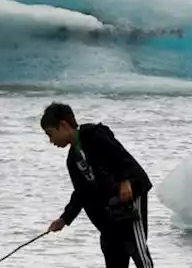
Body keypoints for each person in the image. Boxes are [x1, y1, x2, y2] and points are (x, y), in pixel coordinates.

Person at [41, 102, 154, 268]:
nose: (51, 141)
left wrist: (124, 181)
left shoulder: (95, 135)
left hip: (130, 196)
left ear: (63, 125)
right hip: (111, 210)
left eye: (50, 134)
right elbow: (81, 193)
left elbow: (120, 156)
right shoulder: (73, 160)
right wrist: (64, 219)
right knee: (112, 249)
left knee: (136, 248)